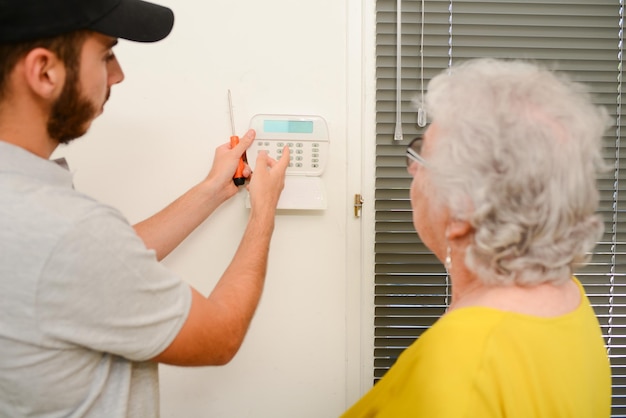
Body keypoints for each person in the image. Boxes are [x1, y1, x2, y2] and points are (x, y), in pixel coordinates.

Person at [0, 0, 290, 416]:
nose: (118, 74)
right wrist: (264, 212)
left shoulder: (34, 218)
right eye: (106, 54)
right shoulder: (68, 233)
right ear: (45, 71)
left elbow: (99, 265)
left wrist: (211, 190)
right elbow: (221, 334)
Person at [342, 58, 612, 417]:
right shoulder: (569, 299)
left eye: (423, 157)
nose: (413, 168)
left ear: (460, 212)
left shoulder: (456, 365)